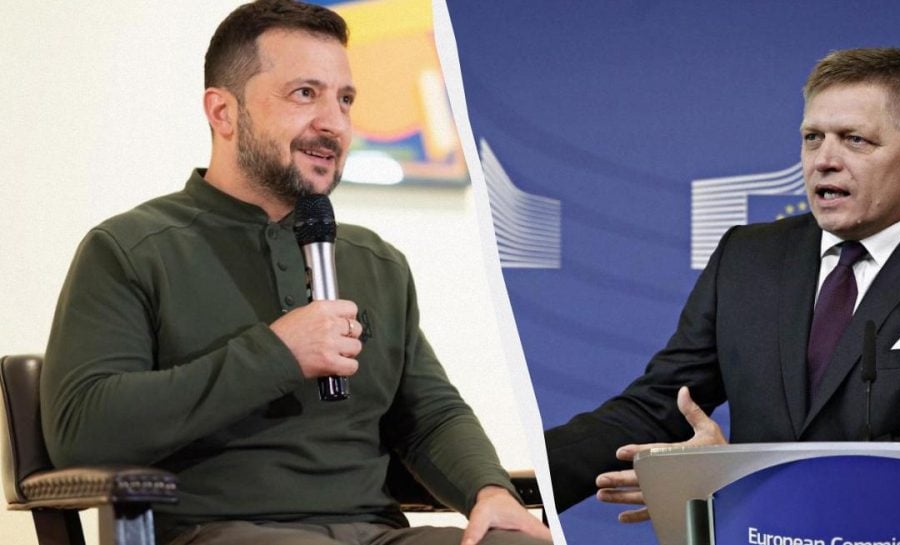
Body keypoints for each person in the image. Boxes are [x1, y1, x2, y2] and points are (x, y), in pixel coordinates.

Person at [39, 2, 551, 545]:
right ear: (223, 112)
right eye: (305, 93)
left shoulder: (375, 261)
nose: (334, 123)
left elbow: (430, 415)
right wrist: (277, 354)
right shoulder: (130, 249)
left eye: (345, 99)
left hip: (374, 532)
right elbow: (81, 432)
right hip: (217, 532)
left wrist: (489, 490)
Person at [545, 47, 900, 521]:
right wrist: (512, 486)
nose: (824, 160)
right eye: (812, 137)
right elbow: (658, 407)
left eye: (855, 140)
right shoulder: (747, 257)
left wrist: (734, 479)